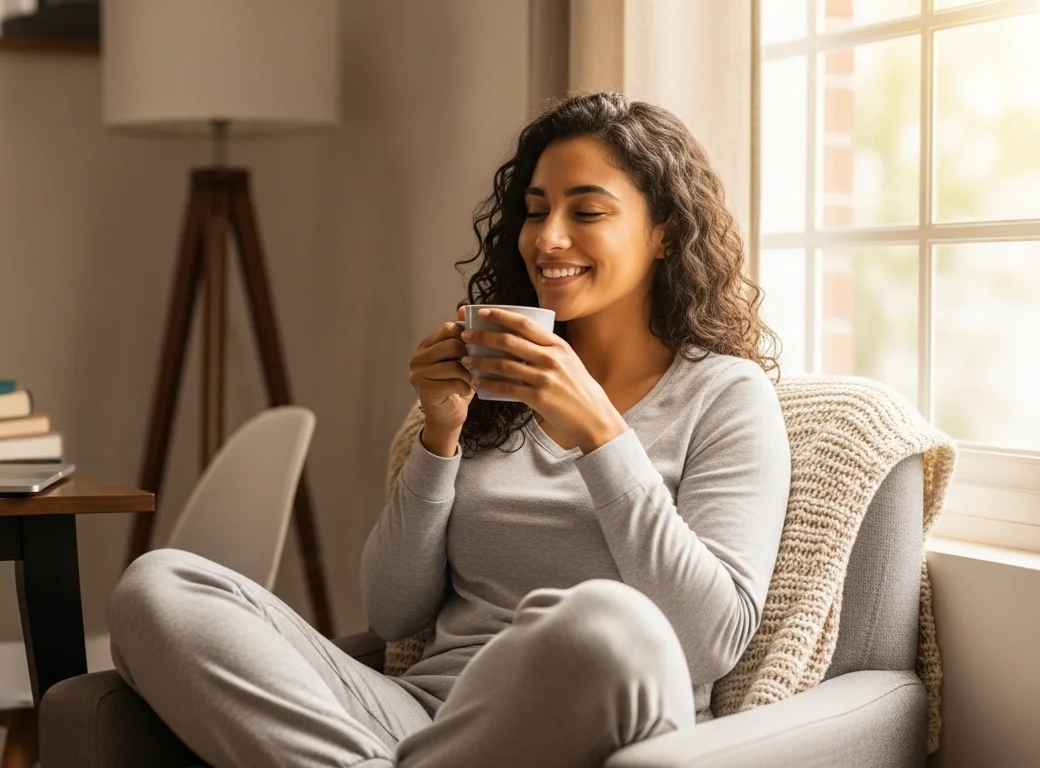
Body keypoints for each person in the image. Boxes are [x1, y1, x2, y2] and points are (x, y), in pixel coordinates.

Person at [107, 92, 791, 768]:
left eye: (586, 211)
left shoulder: (727, 397)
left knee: (612, 626)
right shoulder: (492, 391)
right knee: (158, 586)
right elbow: (392, 614)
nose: (548, 238)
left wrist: (600, 434)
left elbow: (709, 639)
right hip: (418, 716)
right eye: (534, 211)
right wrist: (440, 434)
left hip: (589, 713)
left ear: (665, 232)